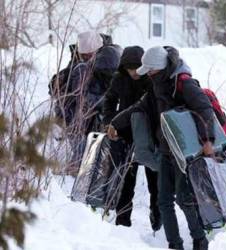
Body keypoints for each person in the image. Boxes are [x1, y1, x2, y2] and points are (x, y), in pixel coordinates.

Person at [108, 46, 214, 250]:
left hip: (185, 152)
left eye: (150, 70)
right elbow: (138, 107)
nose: (147, 74)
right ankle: (175, 245)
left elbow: (204, 109)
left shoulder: (184, 83)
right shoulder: (156, 86)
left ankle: (200, 241)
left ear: (159, 68)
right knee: (164, 201)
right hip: (166, 150)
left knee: (184, 199)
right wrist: (115, 122)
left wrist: (207, 140)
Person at [103, 46, 161, 231]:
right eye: (129, 68)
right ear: (123, 68)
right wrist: (110, 122)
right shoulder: (119, 79)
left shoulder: (151, 79)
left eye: (137, 67)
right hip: (125, 134)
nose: (134, 72)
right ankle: (122, 223)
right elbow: (109, 100)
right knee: (125, 182)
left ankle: (157, 222)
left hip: (150, 136)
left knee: (156, 182)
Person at [65, 30, 121, 176]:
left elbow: (110, 93)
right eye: (83, 56)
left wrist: (88, 100)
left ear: (96, 51)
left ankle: (87, 164)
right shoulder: (82, 62)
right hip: (93, 105)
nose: (85, 59)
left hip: (105, 106)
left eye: (88, 56)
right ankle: (83, 162)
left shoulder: (108, 58)